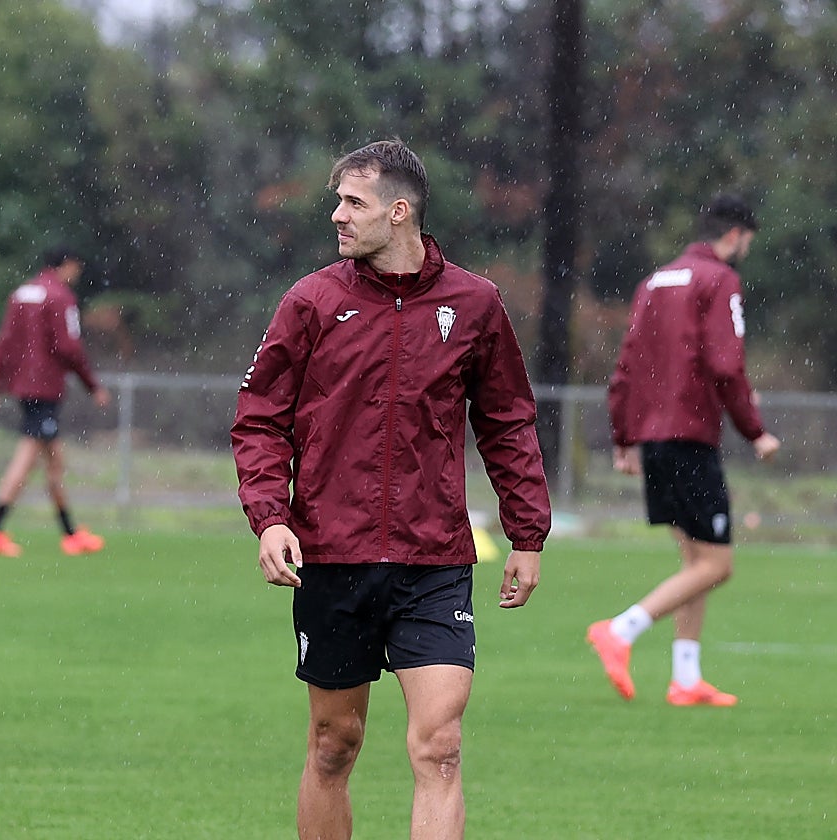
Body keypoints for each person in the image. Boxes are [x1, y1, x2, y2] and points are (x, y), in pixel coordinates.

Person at [231, 139, 551, 840]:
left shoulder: (475, 304)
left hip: (433, 561)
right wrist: (269, 518)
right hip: (332, 558)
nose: (338, 217)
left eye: (354, 203)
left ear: (399, 212)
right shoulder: (311, 302)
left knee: (439, 746)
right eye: (337, 202)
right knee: (333, 745)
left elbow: (508, 424)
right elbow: (258, 420)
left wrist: (527, 533)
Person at [590, 193, 781, 707]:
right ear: (737, 234)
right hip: (689, 438)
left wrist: (624, 436)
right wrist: (755, 429)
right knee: (717, 565)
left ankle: (686, 677)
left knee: (695, 558)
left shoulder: (655, 281)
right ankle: (620, 631)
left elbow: (626, 365)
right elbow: (726, 363)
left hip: (655, 438)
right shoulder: (720, 280)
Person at [0, 246, 111, 558]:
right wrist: (92, 384)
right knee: (27, 459)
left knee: (54, 462)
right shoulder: (61, 297)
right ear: (66, 265)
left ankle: (70, 533)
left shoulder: (22, 294)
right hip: (46, 389)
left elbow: (5, 342)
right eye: (76, 266)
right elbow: (69, 347)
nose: (77, 272)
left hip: (24, 387)